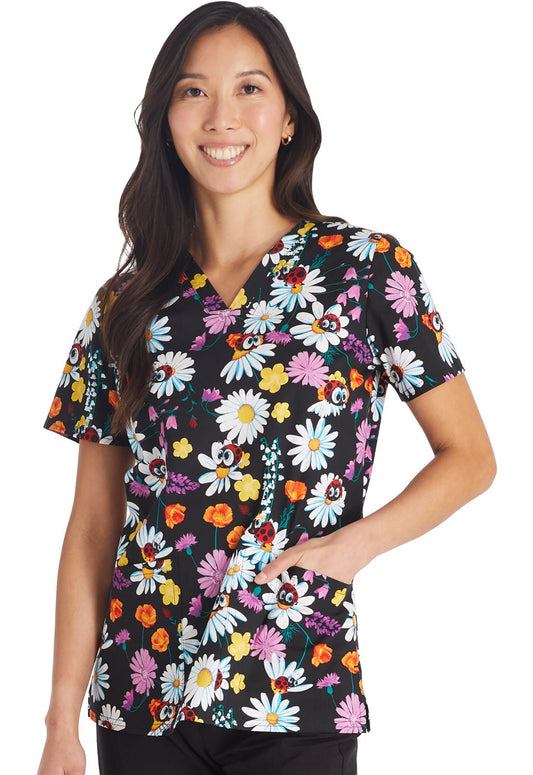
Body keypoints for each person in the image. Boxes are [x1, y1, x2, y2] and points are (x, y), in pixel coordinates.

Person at [37, 3, 496, 774]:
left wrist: (352, 547)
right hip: (141, 694)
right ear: (165, 121)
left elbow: (470, 457)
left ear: (288, 119)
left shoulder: (365, 270)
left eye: (249, 88)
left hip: (295, 681)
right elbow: (92, 526)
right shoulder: (125, 305)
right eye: (193, 91)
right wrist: (60, 720)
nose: (221, 117)